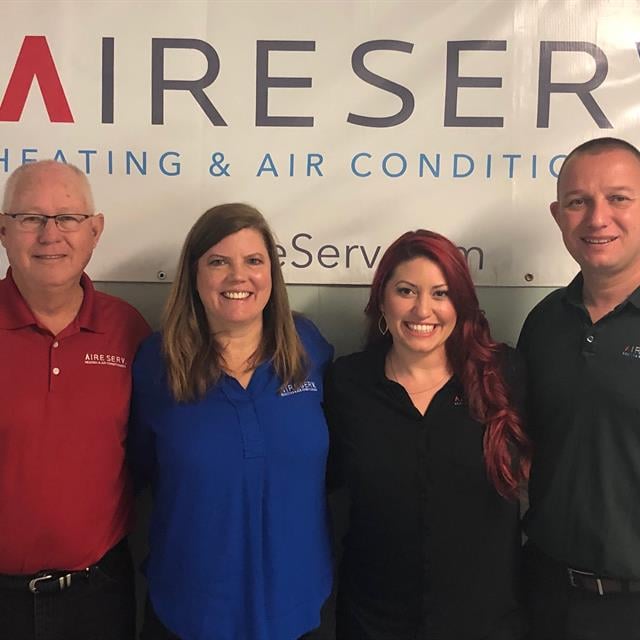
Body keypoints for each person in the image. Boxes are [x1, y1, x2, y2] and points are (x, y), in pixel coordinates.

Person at [129, 203, 333, 640]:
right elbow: (139, 468)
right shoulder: (156, 363)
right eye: (219, 262)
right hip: (188, 613)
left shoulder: (308, 349)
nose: (238, 277)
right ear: (194, 275)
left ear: (272, 275)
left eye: (254, 261)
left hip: (295, 610)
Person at [325, 229, 531, 640]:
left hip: (485, 623)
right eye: (406, 291)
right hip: (372, 621)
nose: (423, 310)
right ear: (381, 300)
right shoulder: (345, 383)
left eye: (441, 293)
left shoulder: (504, 375)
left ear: (461, 304)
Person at [0, 160, 151, 640]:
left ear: (95, 230)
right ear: (3, 230)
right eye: (30, 218)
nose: (51, 235)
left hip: (99, 594)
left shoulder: (128, 329)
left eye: (67, 218)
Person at [517, 137, 640, 639]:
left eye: (618, 198)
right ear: (558, 214)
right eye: (578, 201)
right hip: (546, 596)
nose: (597, 218)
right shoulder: (544, 323)